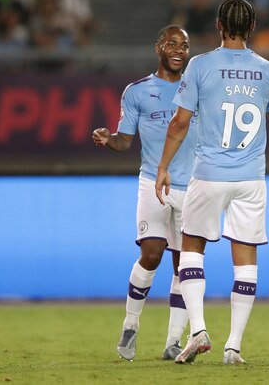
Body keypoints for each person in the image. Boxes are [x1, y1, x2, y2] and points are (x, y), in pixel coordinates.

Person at [155, 0, 269, 365]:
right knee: (246, 260)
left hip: (209, 174)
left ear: (219, 25)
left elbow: (180, 123)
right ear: (252, 28)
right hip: (251, 178)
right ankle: (233, 346)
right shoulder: (268, 70)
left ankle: (199, 329)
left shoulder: (200, 66)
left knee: (191, 249)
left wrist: (163, 167)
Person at [92, 25, 194, 362]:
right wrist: (109, 139)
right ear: (158, 48)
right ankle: (131, 324)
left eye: (185, 45)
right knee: (152, 254)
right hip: (153, 182)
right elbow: (125, 140)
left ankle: (173, 342)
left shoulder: (196, 88)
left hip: (192, 186)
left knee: (184, 265)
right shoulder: (137, 91)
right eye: (172, 44)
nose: (179, 50)